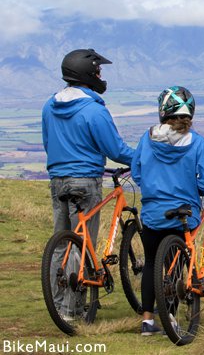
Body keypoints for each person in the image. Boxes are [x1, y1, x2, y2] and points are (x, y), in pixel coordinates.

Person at [42, 48, 134, 320]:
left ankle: (59, 305)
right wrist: (143, 157)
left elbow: (48, 143)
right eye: (98, 70)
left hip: (57, 180)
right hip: (85, 181)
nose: (101, 75)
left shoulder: (50, 105)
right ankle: (72, 311)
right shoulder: (93, 110)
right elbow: (115, 148)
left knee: (62, 244)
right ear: (88, 74)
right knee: (82, 244)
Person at [131, 86, 204, 336]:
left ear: (162, 111)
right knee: (177, 265)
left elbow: (136, 172)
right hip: (185, 214)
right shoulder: (198, 143)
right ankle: (171, 316)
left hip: (152, 213)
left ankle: (148, 321)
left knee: (151, 263)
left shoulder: (146, 138)